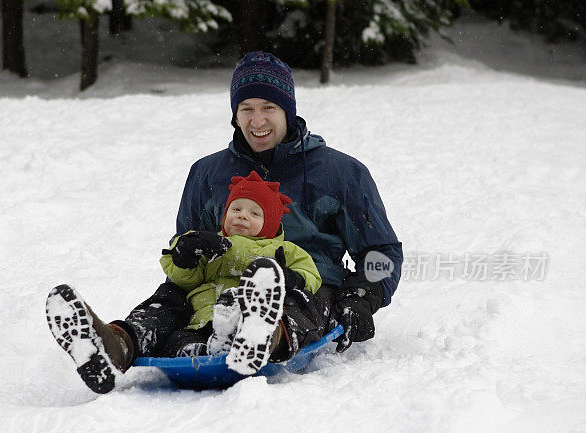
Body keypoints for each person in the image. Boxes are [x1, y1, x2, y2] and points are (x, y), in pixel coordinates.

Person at [46, 51, 402, 394]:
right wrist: (186, 251)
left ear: (288, 111)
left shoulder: (341, 172)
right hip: (213, 279)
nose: (257, 121)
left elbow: (381, 250)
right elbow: (182, 244)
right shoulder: (207, 173)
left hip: (305, 283)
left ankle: (266, 334)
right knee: (170, 300)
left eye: (268, 108)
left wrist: (363, 294)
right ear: (234, 114)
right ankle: (117, 344)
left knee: (299, 299)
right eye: (246, 109)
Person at [160, 170, 322, 376]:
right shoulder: (212, 245)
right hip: (204, 320)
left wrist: (288, 276)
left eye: (255, 213)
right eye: (236, 209)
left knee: (301, 303)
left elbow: (311, 276)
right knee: (178, 339)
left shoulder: (285, 250)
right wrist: (186, 254)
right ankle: (203, 351)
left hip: (254, 320)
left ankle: (264, 338)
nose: (242, 215)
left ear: (270, 224)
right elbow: (186, 279)